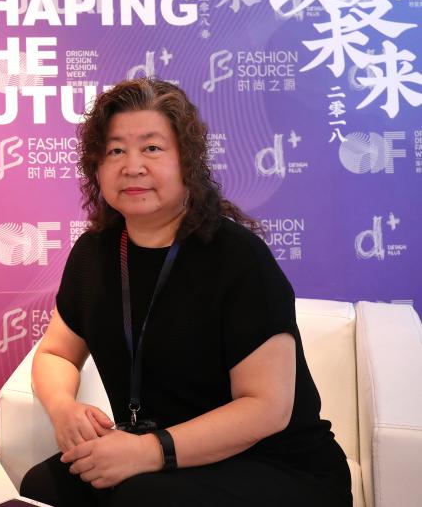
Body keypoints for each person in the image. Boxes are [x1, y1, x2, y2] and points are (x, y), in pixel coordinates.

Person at [20, 79, 351, 507]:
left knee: (141, 498)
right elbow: (56, 354)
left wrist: (148, 451)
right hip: (153, 455)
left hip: (276, 464)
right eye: (115, 150)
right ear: (95, 166)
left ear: (187, 162)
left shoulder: (237, 257)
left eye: (152, 148)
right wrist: (64, 408)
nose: (132, 166)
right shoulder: (93, 253)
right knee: (44, 486)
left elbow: (267, 407)